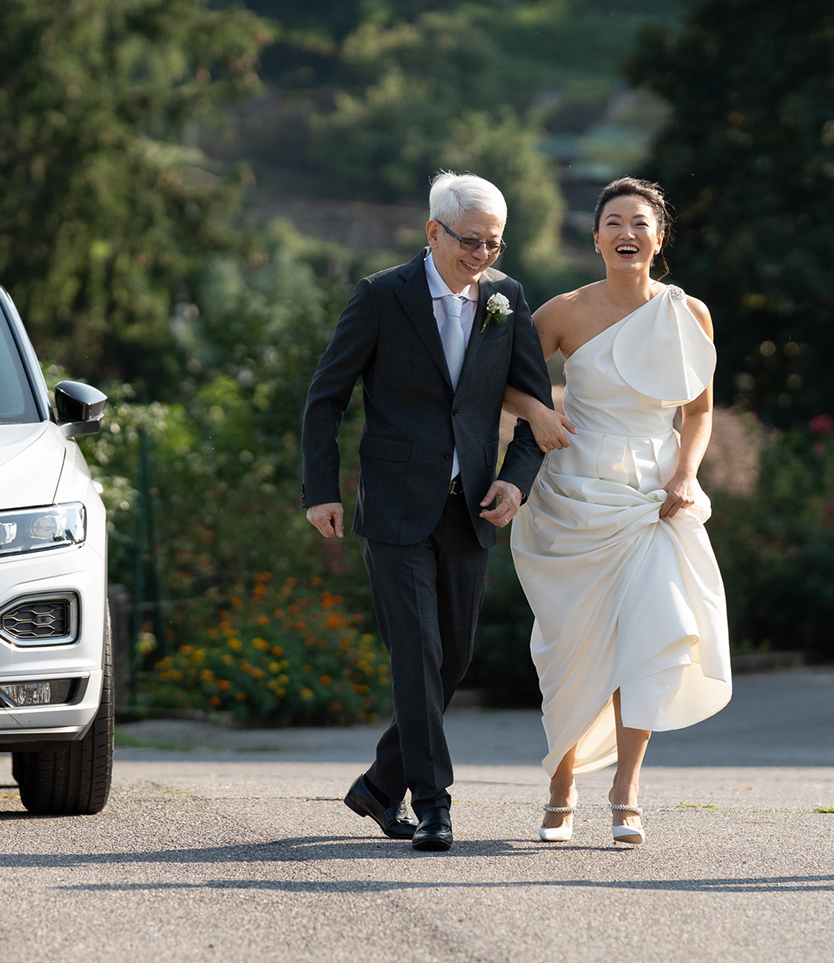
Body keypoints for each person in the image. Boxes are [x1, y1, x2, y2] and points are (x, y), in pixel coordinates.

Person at [300, 172, 552, 852]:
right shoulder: (382, 296)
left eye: (494, 244)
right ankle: (433, 804)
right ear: (434, 231)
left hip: (470, 509)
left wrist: (516, 482)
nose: (482, 256)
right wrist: (320, 488)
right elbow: (326, 397)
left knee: (453, 659)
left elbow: (535, 408)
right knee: (417, 654)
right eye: (470, 242)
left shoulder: (505, 298)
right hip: (394, 507)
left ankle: (378, 785)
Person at [501, 177, 732, 847]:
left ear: (659, 238)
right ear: (597, 237)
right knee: (571, 649)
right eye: (613, 223)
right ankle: (561, 787)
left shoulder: (690, 313)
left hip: (655, 497)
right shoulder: (563, 312)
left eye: (640, 223)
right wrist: (540, 411)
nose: (627, 233)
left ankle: (626, 790)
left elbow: (699, 411)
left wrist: (685, 475)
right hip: (575, 493)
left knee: (647, 640)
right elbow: (502, 381)